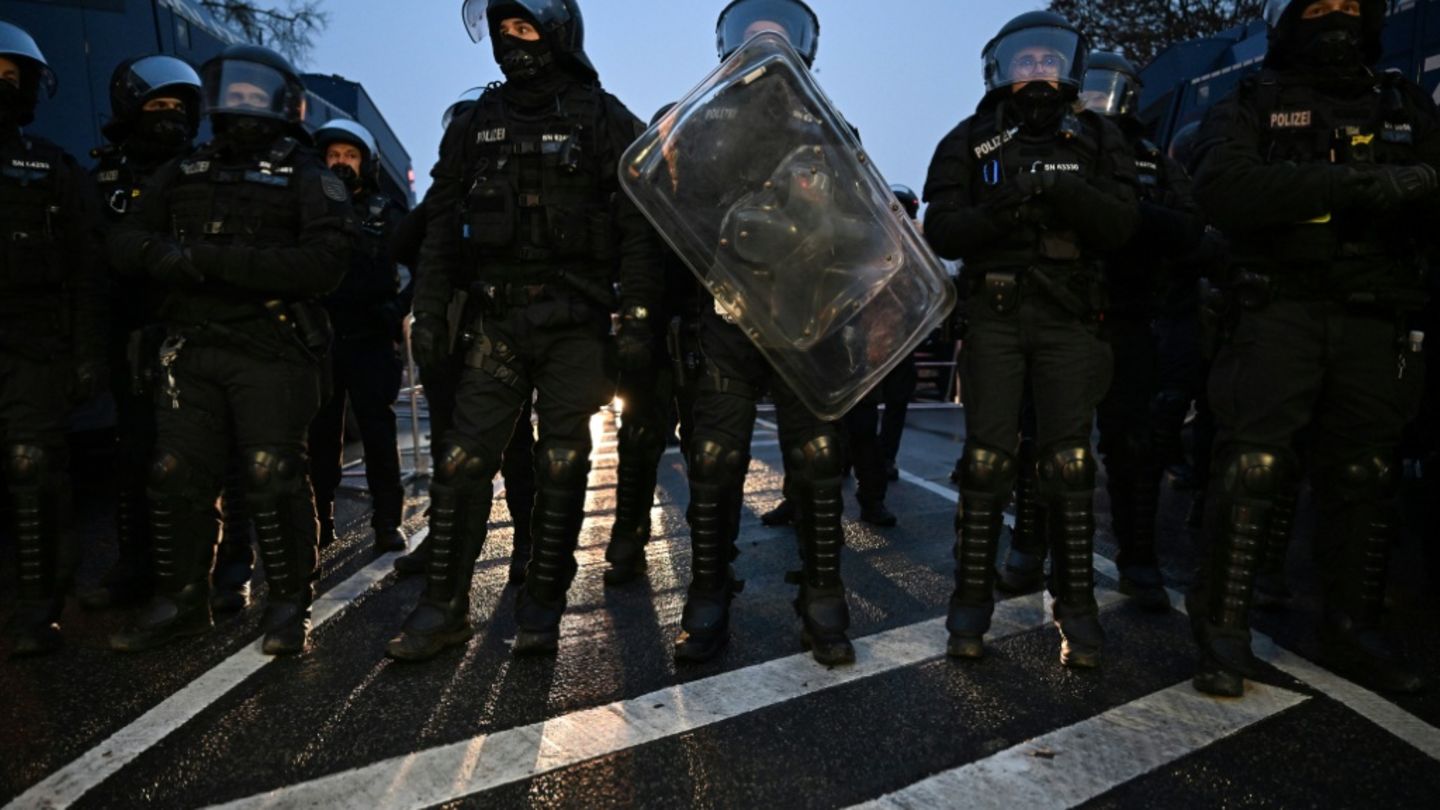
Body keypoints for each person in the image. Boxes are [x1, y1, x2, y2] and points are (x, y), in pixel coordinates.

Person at [387, 0, 660, 661]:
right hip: (497, 320)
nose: (512, 42)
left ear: (557, 34)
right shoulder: (478, 120)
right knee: (460, 462)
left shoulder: (602, 116)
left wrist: (639, 319)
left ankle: (541, 607)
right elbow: (441, 228)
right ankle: (442, 608)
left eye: (525, 28)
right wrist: (427, 310)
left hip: (574, 321)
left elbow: (639, 230)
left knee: (563, 462)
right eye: (504, 30)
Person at [1187, 0, 1436, 697]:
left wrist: (1415, 188)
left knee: (1366, 474)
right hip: (1280, 310)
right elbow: (1223, 186)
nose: (1336, 18)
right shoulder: (1253, 99)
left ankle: (1352, 628)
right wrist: (1357, 188)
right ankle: (1222, 630)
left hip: (1375, 315)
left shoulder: (1402, 101)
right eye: (1318, 6)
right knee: (1254, 467)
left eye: (1350, 5)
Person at [107, 44, 356, 656]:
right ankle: (184, 601)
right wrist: (161, 256)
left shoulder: (305, 174)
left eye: (254, 94)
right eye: (232, 93)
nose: (242, 104)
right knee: (174, 475)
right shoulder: (185, 171)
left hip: (270, 348)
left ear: (280, 104)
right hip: (192, 349)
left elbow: (325, 263)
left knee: (273, 476)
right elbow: (124, 240)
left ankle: (289, 604)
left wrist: (210, 263)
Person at [922, 11, 1140, 668]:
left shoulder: (1099, 136)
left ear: (1066, 67)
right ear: (1004, 70)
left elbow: (1122, 225)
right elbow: (943, 230)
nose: (1037, 71)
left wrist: (1060, 189)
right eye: (1026, 62)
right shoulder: (971, 139)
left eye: (1048, 60)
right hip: (995, 316)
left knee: (1069, 465)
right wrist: (1009, 201)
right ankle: (969, 609)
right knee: (987, 464)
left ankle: (1077, 612)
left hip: (1070, 317)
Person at [664, 0, 857, 667]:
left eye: (779, 36)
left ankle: (824, 595)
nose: (767, 47)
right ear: (732, 46)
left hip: (807, 320)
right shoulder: (699, 122)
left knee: (818, 461)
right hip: (724, 317)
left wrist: (814, 238)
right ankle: (709, 595)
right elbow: (669, 219)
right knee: (714, 461)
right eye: (755, 36)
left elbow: (864, 232)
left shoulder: (833, 127)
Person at [1081, 51, 1206, 610]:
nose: (1097, 98)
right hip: (1064, 312)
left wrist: (1128, 215)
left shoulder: (1152, 157)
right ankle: (1028, 547)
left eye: (1108, 88)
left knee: (1134, 447)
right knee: (1043, 440)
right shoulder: (1054, 142)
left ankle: (1137, 557)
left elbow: (1189, 225)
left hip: (1132, 316)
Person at [0, 20, 107, 657]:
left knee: (32, 471)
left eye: (13, 79)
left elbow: (86, 270)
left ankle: (38, 611)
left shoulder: (50, 167)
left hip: (30, 347)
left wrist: (87, 352)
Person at [308, 118, 410, 554]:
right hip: (321, 338)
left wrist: (392, 314)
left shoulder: (386, 213)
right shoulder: (308, 207)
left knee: (378, 434)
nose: (342, 163)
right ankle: (320, 521)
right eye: (334, 156)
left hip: (369, 337)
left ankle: (388, 522)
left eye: (350, 156)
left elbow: (409, 271)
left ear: (365, 163)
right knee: (320, 436)